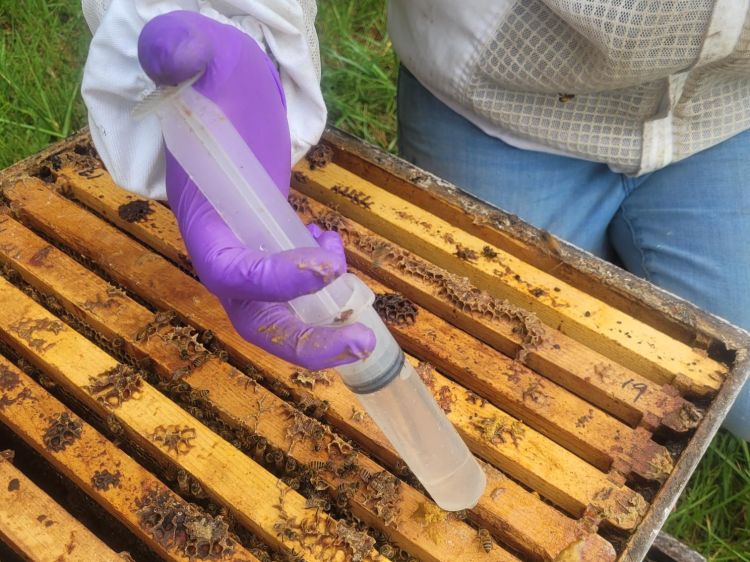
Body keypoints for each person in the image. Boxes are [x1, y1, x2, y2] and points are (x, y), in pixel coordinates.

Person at [81, 1, 750, 441]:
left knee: (740, 394)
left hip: (727, 113)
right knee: (498, 380)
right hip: (497, 102)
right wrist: (216, 29)